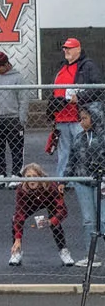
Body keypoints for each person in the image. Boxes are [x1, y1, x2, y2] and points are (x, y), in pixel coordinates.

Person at [50, 38, 104, 216]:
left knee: (83, 149)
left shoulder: (87, 66)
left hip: (79, 116)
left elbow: (98, 88)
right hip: (62, 116)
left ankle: (85, 179)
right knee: (64, 151)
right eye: (65, 48)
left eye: (69, 49)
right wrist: (51, 110)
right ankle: (63, 182)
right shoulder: (62, 66)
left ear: (78, 49)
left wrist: (80, 98)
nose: (66, 51)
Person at [9, 162, 72, 267]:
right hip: (30, 203)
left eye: (35, 176)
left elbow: (63, 210)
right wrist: (18, 238)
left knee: (55, 223)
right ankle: (16, 250)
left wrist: (51, 221)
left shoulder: (51, 186)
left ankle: (63, 251)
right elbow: (19, 213)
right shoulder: (21, 189)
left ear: (40, 177)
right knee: (15, 218)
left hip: (49, 201)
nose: (31, 180)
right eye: (28, 177)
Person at [0, 49, 29, 189]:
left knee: (16, 148)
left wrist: (22, 120)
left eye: (0, 66)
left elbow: (23, 100)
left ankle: (16, 175)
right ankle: (0, 175)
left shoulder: (18, 78)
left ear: (7, 64)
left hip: (13, 118)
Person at [67, 102, 105, 260]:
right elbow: (72, 159)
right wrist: (64, 180)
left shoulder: (102, 138)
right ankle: (92, 255)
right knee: (88, 219)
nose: (81, 122)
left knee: (103, 218)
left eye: (85, 118)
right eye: (80, 119)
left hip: (101, 181)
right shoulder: (78, 137)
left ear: (94, 118)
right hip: (82, 182)